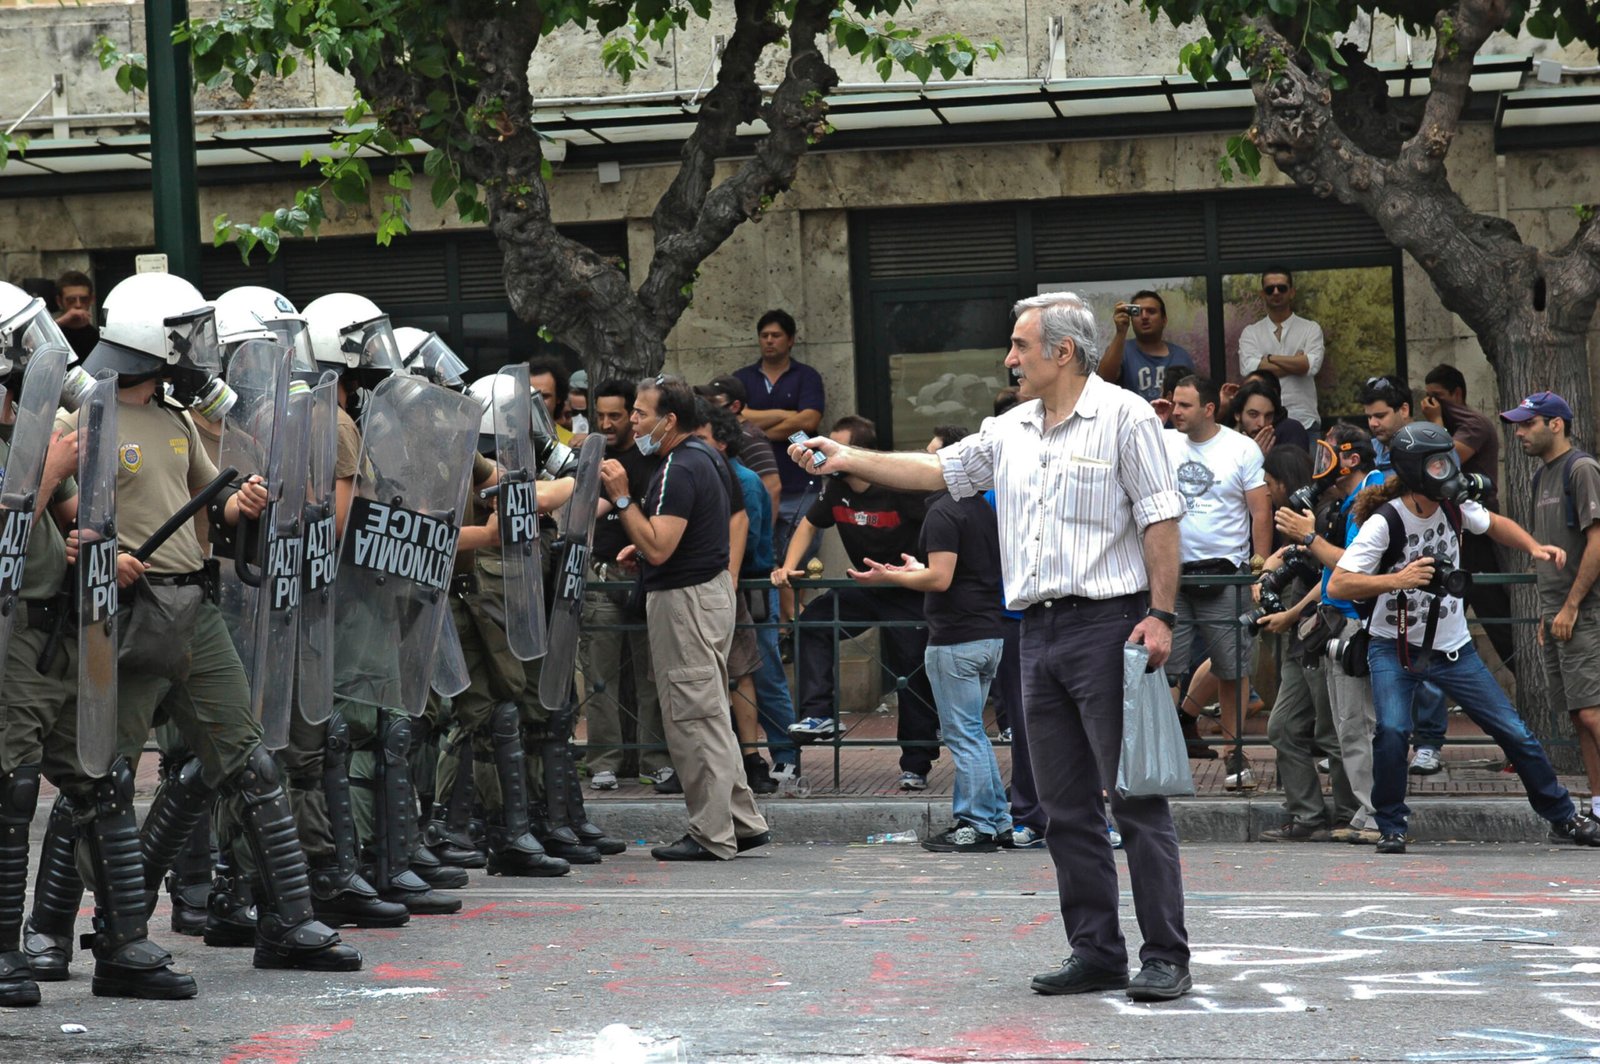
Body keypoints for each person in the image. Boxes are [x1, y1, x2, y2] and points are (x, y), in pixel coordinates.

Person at [787, 291, 1192, 1002]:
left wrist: (1160, 616)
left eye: (1019, 345)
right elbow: (935, 471)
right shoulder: (1009, 429)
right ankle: (1096, 952)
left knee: (1134, 799)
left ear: (1062, 351)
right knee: (1062, 806)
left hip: (1110, 625)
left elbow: (1161, 519)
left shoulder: (1126, 417)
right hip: (1032, 631)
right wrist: (845, 455)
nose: (1008, 358)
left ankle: (1165, 955)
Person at [1327, 421, 1597, 854]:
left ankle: (1563, 816)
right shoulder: (1386, 521)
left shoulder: (1453, 506)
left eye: (1448, 461)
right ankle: (1391, 824)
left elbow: (1494, 524)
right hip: (1393, 647)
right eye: (1437, 464)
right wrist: (1398, 580)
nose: (1448, 471)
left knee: (1514, 732)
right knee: (1393, 731)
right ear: (1414, 470)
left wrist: (1533, 548)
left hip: (1453, 649)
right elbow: (1340, 583)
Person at [599, 376, 771, 861]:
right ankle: (741, 822)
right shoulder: (706, 456)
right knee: (709, 712)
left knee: (693, 717)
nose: (633, 421)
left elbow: (660, 544)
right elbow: (684, 535)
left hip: (685, 601)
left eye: (640, 413)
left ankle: (711, 833)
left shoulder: (680, 464)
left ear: (669, 419)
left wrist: (622, 497)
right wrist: (644, 548)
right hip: (702, 593)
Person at [850, 426, 1015, 852]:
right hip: (987, 634)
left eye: (933, 458)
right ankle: (996, 820)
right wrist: (912, 570)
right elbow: (955, 571)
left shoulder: (943, 510)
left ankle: (975, 823)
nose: (923, 465)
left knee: (963, 735)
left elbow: (940, 579)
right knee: (973, 732)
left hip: (956, 638)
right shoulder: (980, 508)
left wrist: (890, 577)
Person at [777, 416, 940, 790]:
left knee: (910, 672)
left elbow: (940, 526)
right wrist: (787, 566)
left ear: (861, 452)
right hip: (868, 586)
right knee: (814, 622)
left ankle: (916, 763)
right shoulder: (835, 488)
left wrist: (929, 572)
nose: (826, 453)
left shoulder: (898, 487)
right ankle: (819, 714)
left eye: (836, 447)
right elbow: (809, 524)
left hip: (908, 588)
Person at [1260, 431, 1372, 841]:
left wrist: (1306, 541)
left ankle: (1351, 813)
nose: (1266, 491)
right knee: (1283, 726)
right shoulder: (1316, 511)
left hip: (1330, 626)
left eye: (1270, 483)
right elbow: (1315, 568)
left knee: (1335, 730)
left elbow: (1340, 570)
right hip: (1305, 631)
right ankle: (1308, 815)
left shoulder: (1342, 508)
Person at [1164, 374, 1272, 787]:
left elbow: (1260, 512)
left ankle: (1233, 754)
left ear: (1209, 409)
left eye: (1185, 405)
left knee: (1233, 668)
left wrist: (1259, 569)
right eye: (1174, 403)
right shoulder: (1163, 441)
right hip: (1172, 573)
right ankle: (1165, 757)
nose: (1176, 412)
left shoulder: (1241, 448)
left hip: (1226, 574)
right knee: (1165, 670)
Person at [1502, 391, 1600, 836]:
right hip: (1558, 614)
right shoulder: (1542, 475)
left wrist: (1572, 605)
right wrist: (1548, 612)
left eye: (1528, 424)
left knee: (1593, 713)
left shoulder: (1582, 469)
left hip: (1585, 612)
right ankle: (1598, 807)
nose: (1519, 433)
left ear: (1555, 424)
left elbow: (1597, 541)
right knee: (1580, 715)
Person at [577, 379, 672, 793]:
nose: (607, 423)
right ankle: (604, 761)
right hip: (600, 576)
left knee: (652, 675)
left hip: (644, 575)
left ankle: (656, 759)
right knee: (600, 678)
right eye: (600, 415)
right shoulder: (592, 457)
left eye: (616, 415)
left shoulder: (653, 459)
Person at [1360, 374, 1453, 775]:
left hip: (1431, 569)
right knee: (1394, 670)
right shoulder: (1375, 456)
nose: (1373, 424)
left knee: (1429, 658)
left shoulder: (1431, 448)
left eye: (1381, 415)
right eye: (1369, 417)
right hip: (1388, 577)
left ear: (1404, 410)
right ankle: (1391, 750)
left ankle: (1429, 742)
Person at [1421, 363, 1517, 677]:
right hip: (1452, 531)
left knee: (1494, 612)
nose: (1432, 404)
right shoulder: (1451, 424)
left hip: (1477, 533)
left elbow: (1444, 463)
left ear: (1457, 394)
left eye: (1439, 396)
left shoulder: (1474, 424)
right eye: (1428, 397)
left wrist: (1435, 422)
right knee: (1440, 616)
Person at [731, 310, 826, 623]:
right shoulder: (743, 378)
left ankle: (793, 624)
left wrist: (757, 426)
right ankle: (783, 626)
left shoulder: (806, 376)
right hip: (758, 488)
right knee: (766, 558)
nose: (769, 341)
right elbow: (738, 417)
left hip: (801, 485)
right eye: (764, 335)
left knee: (798, 561)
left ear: (791, 340)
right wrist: (787, 414)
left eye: (776, 335)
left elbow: (810, 419)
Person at [1238, 269, 1324, 430]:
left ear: (1292, 292)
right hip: (1262, 424)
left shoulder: (1311, 329)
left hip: (1305, 420)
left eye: (1282, 288)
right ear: (1262, 294)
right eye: (1270, 289)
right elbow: (1249, 371)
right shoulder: (1251, 332)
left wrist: (1269, 358)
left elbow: (1311, 366)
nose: (1276, 292)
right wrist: (1296, 363)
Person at [698, 374, 783, 525]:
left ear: (735, 406)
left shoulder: (750, 437)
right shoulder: (719, 432)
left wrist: (763, 532)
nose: (707, 408)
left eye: (713, 402)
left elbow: (772, 486)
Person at [1096, 290, 1194, 404]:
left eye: (1151, 311)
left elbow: (1192, 400)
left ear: (1164, 320)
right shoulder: (1121, 351)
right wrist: (1121, 332)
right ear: (1131, 319)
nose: (1144, 316)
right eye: (1137, 312)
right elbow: (1102, 382)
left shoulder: (1181, 356)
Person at [1229, 376, 1311, 455]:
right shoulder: (1226, 442)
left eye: (1268, 416)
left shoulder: (1287, 434)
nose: (1262, 423)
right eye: (1253, 415)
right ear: (1238, 415)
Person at [52, 269, 99, 360]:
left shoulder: (98, 339)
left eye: (84, 299)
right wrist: (61, 321)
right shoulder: (53, 336)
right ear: (59, 301)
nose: (78, 305)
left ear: (91, 300)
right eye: (71, 300)